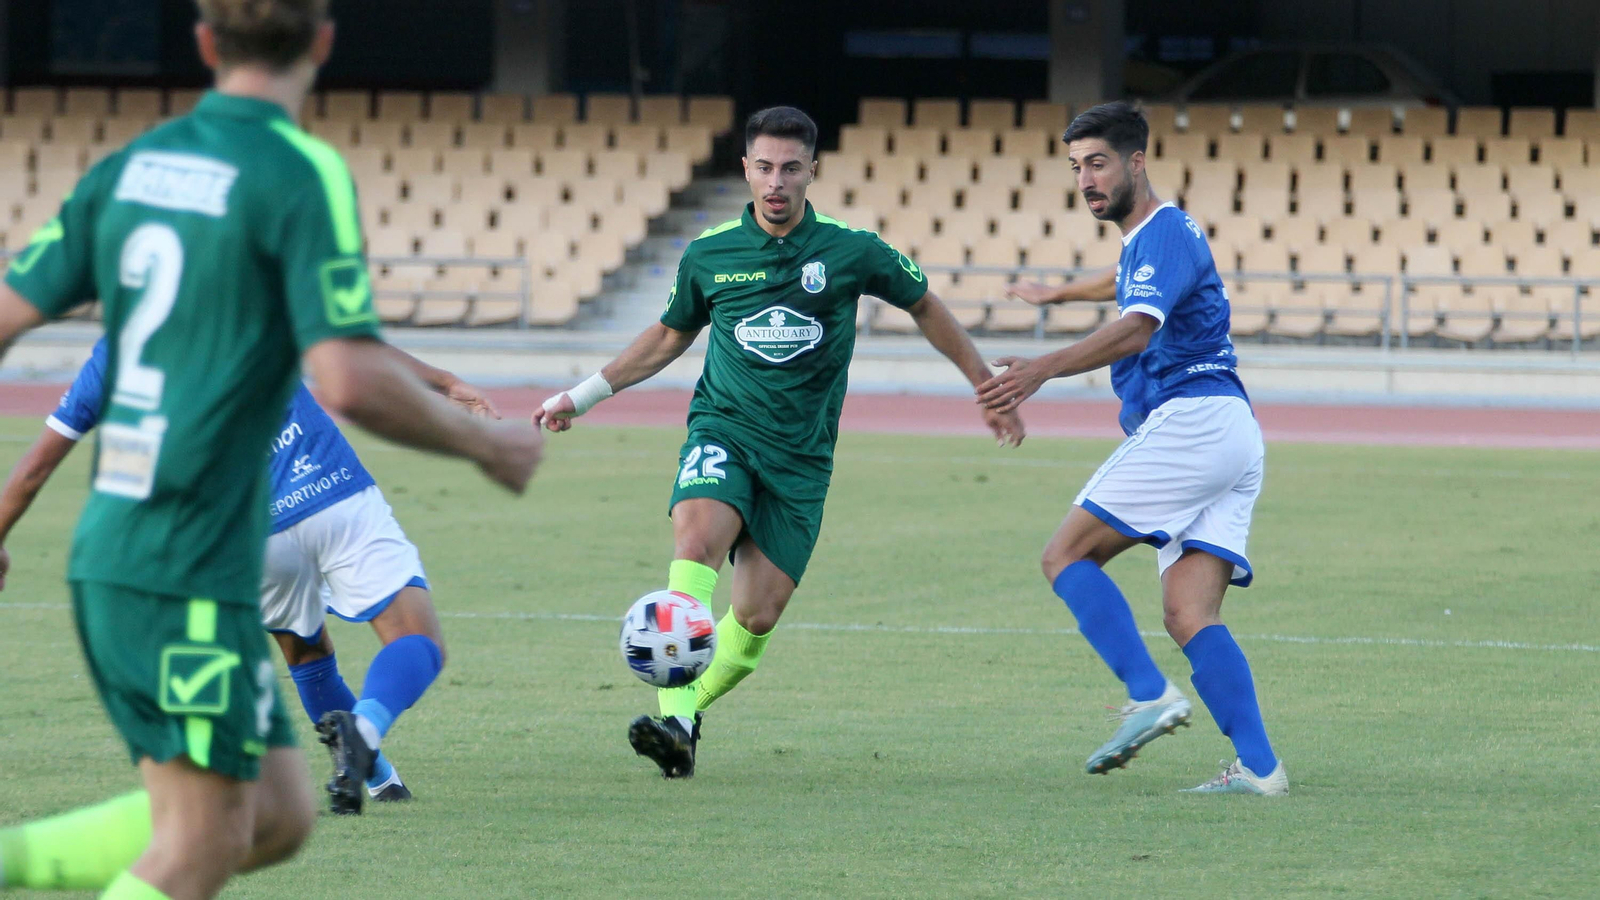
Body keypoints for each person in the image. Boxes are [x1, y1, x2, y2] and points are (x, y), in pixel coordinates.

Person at [0, 1, 543, 897]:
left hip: (175, 552)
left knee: (277, 816)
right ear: (323, 43)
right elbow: (349, 377)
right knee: (203, 836)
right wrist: (484, 449)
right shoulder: (297, 172)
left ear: (205, 43)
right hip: (178, 559)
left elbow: (15, 344)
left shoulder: (129, 171)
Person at [536, 106, 1025, 778]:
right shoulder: (710, 253)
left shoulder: (852, 251)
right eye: (764, 167)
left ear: (812, 171)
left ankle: (684, 717)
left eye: (790, 169)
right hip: (725, 430)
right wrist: (583, 394)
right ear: (745, 168)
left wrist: (983, 382)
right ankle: (675, 720)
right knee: (694, 548)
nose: (776, 182)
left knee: (755, 620)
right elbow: (669, 334)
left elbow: (923, 303)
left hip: (801, 460)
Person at [0, 336, 500, 814]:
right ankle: (364, 730)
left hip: (249, 529)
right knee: (416, 639)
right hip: (331, 489)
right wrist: (444, 382)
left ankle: (381, 781)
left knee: (307, 653)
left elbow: (34, 470)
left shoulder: (110, 356)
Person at [979, 101, 1286, 796]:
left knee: (1064, 555)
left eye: (1098, 163)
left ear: (1137, 162)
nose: (1086, 180)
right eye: (1076, 167)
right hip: (1230, 432)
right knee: (1189, 614)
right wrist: (1058, 292)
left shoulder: (1165, 230)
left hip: (1192, 420)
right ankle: (1261, 770)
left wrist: (1040, 369)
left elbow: (1139, 325)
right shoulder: (1151, 239)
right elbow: (1121, 281)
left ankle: (1148, 694)